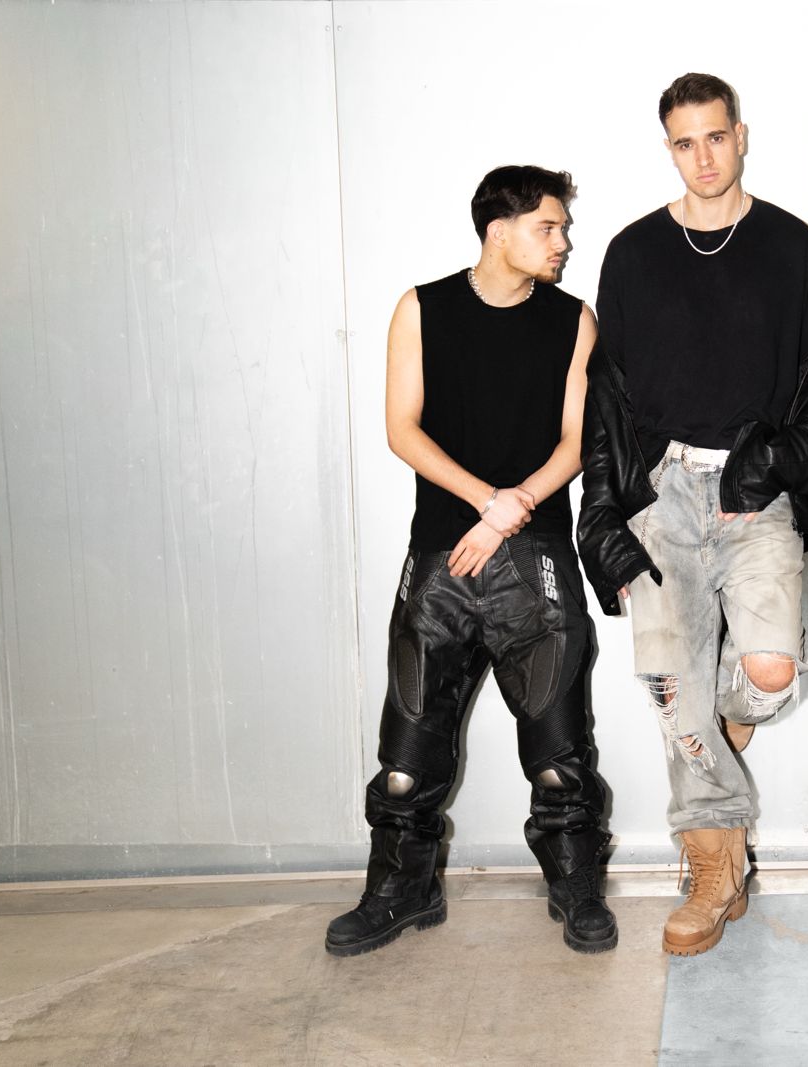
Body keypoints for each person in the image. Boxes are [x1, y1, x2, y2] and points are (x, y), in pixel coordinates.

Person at [577, 73, 808, 957]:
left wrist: (781, 464)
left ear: (742, 135)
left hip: (755, 489)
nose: (704, 157)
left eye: (716, 137)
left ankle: (716, 728)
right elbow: (607, 397)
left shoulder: (793, 248)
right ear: (669, 148)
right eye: (685, 143)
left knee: (767, 671)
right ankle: (712, 867)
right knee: (670, 683)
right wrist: (601, 512)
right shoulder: (632, 252)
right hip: (662, 491)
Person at [326, 166, 615, 958]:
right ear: (499, 231)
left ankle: (575, 883)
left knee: (559, 755)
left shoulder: (573, 320)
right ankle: (402, 889)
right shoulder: (422, 308)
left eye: (562, 228)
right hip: (442, 554)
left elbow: (577, 441)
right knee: (406, 760)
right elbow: (402, 428)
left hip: (536, 556)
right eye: (548, 227)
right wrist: (488, 502)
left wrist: (514, 510)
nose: (562, 242)